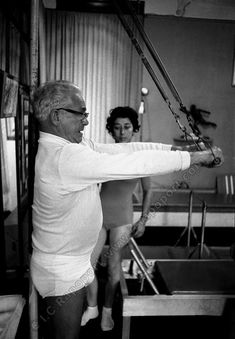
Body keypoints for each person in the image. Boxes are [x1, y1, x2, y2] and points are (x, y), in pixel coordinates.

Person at [30, 80, 223, 339]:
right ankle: (96, 308)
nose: (86, 121)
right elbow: (133, 162)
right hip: (62, 269)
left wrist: (183, 150)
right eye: (81, 114)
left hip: (68, 260)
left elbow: (128, 149)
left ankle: (100, 309)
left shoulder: (72, 146)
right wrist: (196, 158)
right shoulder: (63, 157)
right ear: (57, 116)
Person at [81, 107, 153, 330]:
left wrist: (143, 219)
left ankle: (107, 311)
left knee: (113, 270)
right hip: (99, 215)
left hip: (123, 218)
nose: (122, 132)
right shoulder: (104, 154)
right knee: (86, 266)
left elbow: (148, 191)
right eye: (117, 127)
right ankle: (91, 307)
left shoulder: (141, 158)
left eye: (127, 127)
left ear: (134, 130)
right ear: (111, 131)